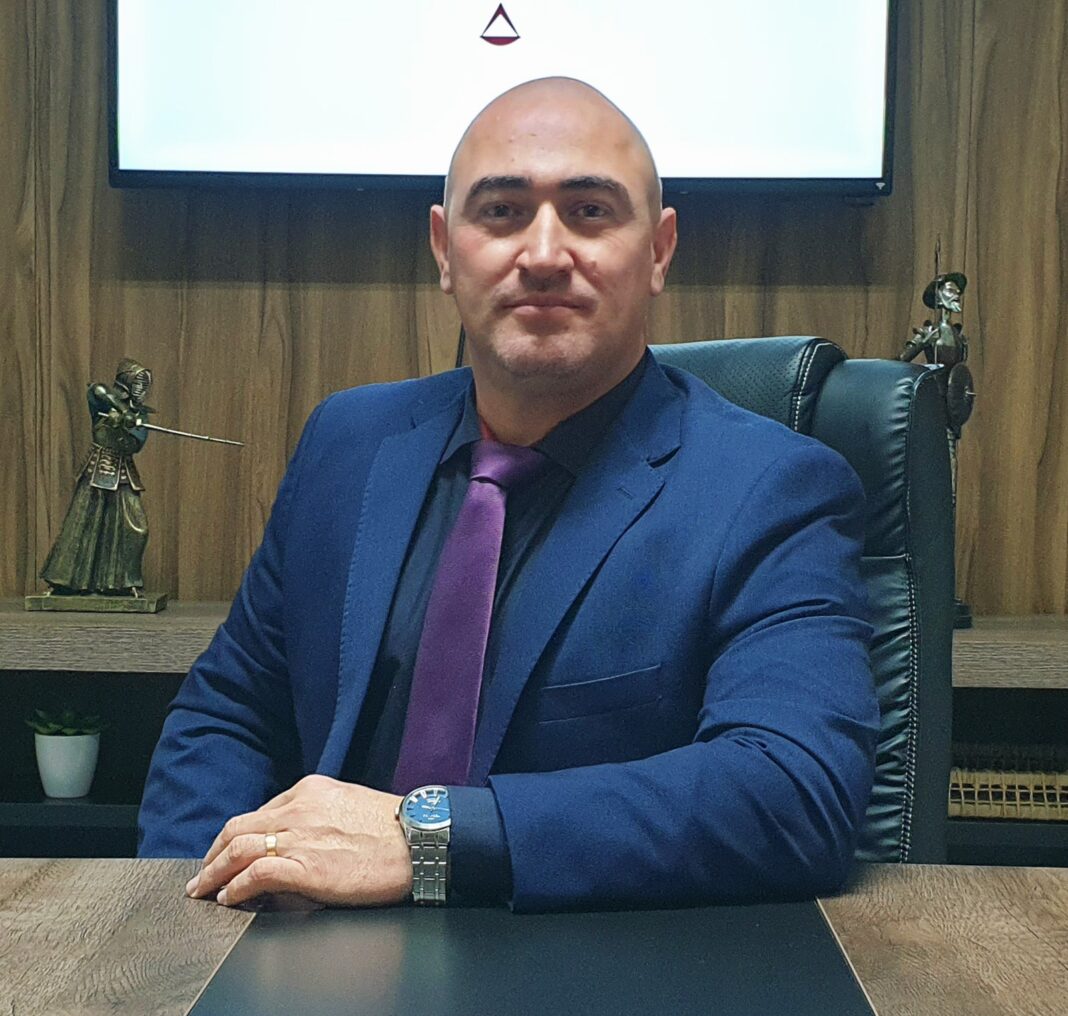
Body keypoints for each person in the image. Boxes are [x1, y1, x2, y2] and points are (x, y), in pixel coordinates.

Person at [139, 78, 879, 913]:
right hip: (309, 960)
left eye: (590, 211)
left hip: (583, 962)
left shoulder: (771, 490)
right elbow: (228, 716)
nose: (545, 253)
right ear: (444, 249)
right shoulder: (348, 444)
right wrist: (198, 913)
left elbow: (792, 791)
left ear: (660, 251)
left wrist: (430, 838)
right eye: (501, 211)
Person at [41, 359, 154, 597]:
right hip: (96, 469)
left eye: (144, 386)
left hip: (123, 471)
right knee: (83, 525)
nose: (141, 390)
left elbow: (136, 444)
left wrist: (126, 424)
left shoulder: (140, 414)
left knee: (137, 528)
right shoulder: (104, 400)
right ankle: (63, 581)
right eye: (137, 384)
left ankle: (125, 582)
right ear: (126, 382)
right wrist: (120, 410)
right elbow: (96, 390)